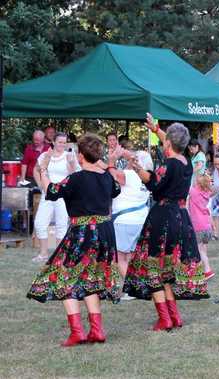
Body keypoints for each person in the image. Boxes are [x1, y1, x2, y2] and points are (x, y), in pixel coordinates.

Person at [26, 133, 121, 347]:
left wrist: (43, 168)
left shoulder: (76, 178)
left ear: (80, 156)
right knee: (91, 278)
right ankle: (96, 330)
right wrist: (105, 164)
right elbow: (116, 190)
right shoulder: (106, 176)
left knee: (64, 277)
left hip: (83, 232)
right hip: (105, 232)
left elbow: (51, 191)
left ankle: (78, 332)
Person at [123, 113, 209, 331]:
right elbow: (172, 142)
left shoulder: (168, 165)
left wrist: (135, 166)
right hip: (181, 217)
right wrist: (156, 129)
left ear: (169, 143)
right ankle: (174, 316)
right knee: (167, 270)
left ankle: (165, 318)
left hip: (163, 218)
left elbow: (152, 183)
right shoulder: (187, 162)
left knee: (154, 268)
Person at [108, 140, 151, 301]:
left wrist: (112, 160)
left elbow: (111, 172)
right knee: (133, 255)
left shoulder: (129, 175)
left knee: (120, 257)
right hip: (141, 219)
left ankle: (134, 288)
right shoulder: (147, 176)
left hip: (125, 221)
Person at [31, 133, 80, 262]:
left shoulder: (70, 156)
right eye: (59, 142)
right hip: (47, 194)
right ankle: (43, 253)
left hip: (63, 195)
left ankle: (59, 256)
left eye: (64, 142)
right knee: (40, 223)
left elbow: (76, 175)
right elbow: (36, 170)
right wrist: (40, 184)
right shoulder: (45, 155)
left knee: (61, 225)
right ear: (53, 141)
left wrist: (71, 163)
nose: (62, 145)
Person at [188, 174, 216, 280]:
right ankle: (203, 269)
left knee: (199, 250)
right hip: (207, 225)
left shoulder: (194, 192)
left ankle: (207, 270)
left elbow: (184, 186)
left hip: (198, 225)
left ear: (198, 183)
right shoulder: (207, 193)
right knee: (203, 248)